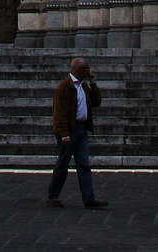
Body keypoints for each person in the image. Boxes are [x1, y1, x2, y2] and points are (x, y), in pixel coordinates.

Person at [48, 56, 105, 208]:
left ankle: (89, 199)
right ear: (77, 70)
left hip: (81, 129)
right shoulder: (64, 87)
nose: (88, 71)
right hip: (68, 131)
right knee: (62, 164)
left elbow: (96, 102)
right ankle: (53, 196)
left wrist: (93, 83)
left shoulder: (84, 86)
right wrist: (64, 134)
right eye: (85, 69)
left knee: (84, 165)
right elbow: (59, 113)